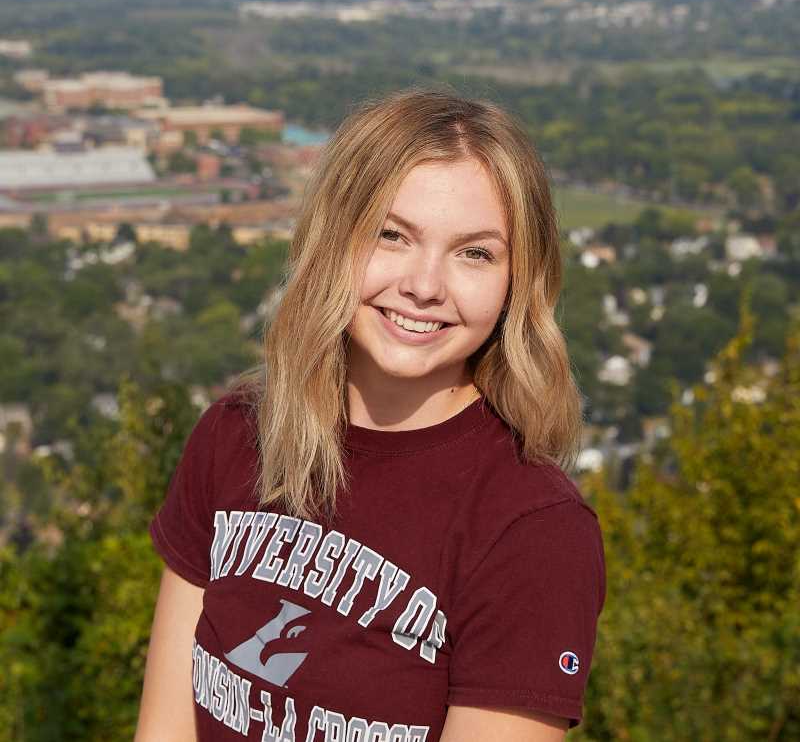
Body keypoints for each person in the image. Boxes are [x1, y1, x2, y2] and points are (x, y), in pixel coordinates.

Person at [135, 86, 606, 742]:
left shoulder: (531, 529)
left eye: (474, 252)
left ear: (515, 283)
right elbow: (165, 730)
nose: (424, 284)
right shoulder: (236, 436)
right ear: (335, 242)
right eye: (392, 235)